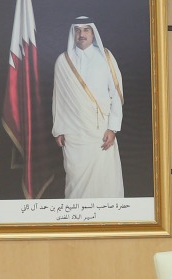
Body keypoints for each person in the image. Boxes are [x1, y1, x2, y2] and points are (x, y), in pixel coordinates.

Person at [51, 15, 125, 199]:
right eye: (77, 30)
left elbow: (116, 94)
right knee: (75, 181)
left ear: (93, 32)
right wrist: (58, 130)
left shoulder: (106, 57)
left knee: (105, 179)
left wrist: (113, 127)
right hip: (73, 134)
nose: (81, 34)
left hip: (100, 131)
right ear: (72, 33)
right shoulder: (63, 61)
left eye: (86, 30)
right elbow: (58, 98)